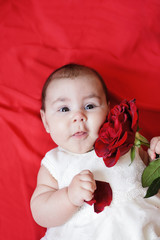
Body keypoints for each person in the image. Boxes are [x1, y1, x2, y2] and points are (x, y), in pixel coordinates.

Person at [30, 63, 160, 240]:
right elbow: (40, 213)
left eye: (89, 106)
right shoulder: (54, 163)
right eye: (64, 109)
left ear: (107, 110)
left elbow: (154, 189)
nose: (78, 116)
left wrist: (156, 159)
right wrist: (68, 197)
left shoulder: (129, 143)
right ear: (46, 121)